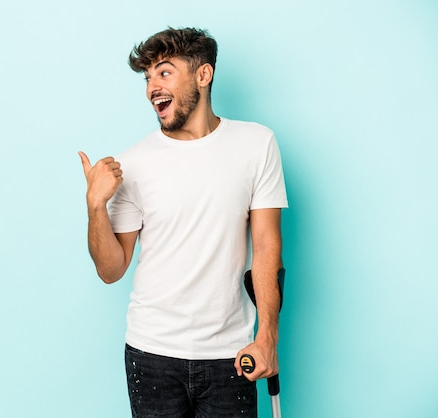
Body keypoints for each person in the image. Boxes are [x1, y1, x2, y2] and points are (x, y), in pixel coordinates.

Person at [78, 27, 288, 418]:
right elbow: (111, 269)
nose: (151, 88)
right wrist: (95, 206)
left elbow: (266, 249)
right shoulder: (134, 163)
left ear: (203, 75)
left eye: (164, 72)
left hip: (231, 355)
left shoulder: (256, 145)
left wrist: (266, 338)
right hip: (152, 354)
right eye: (147, 77)